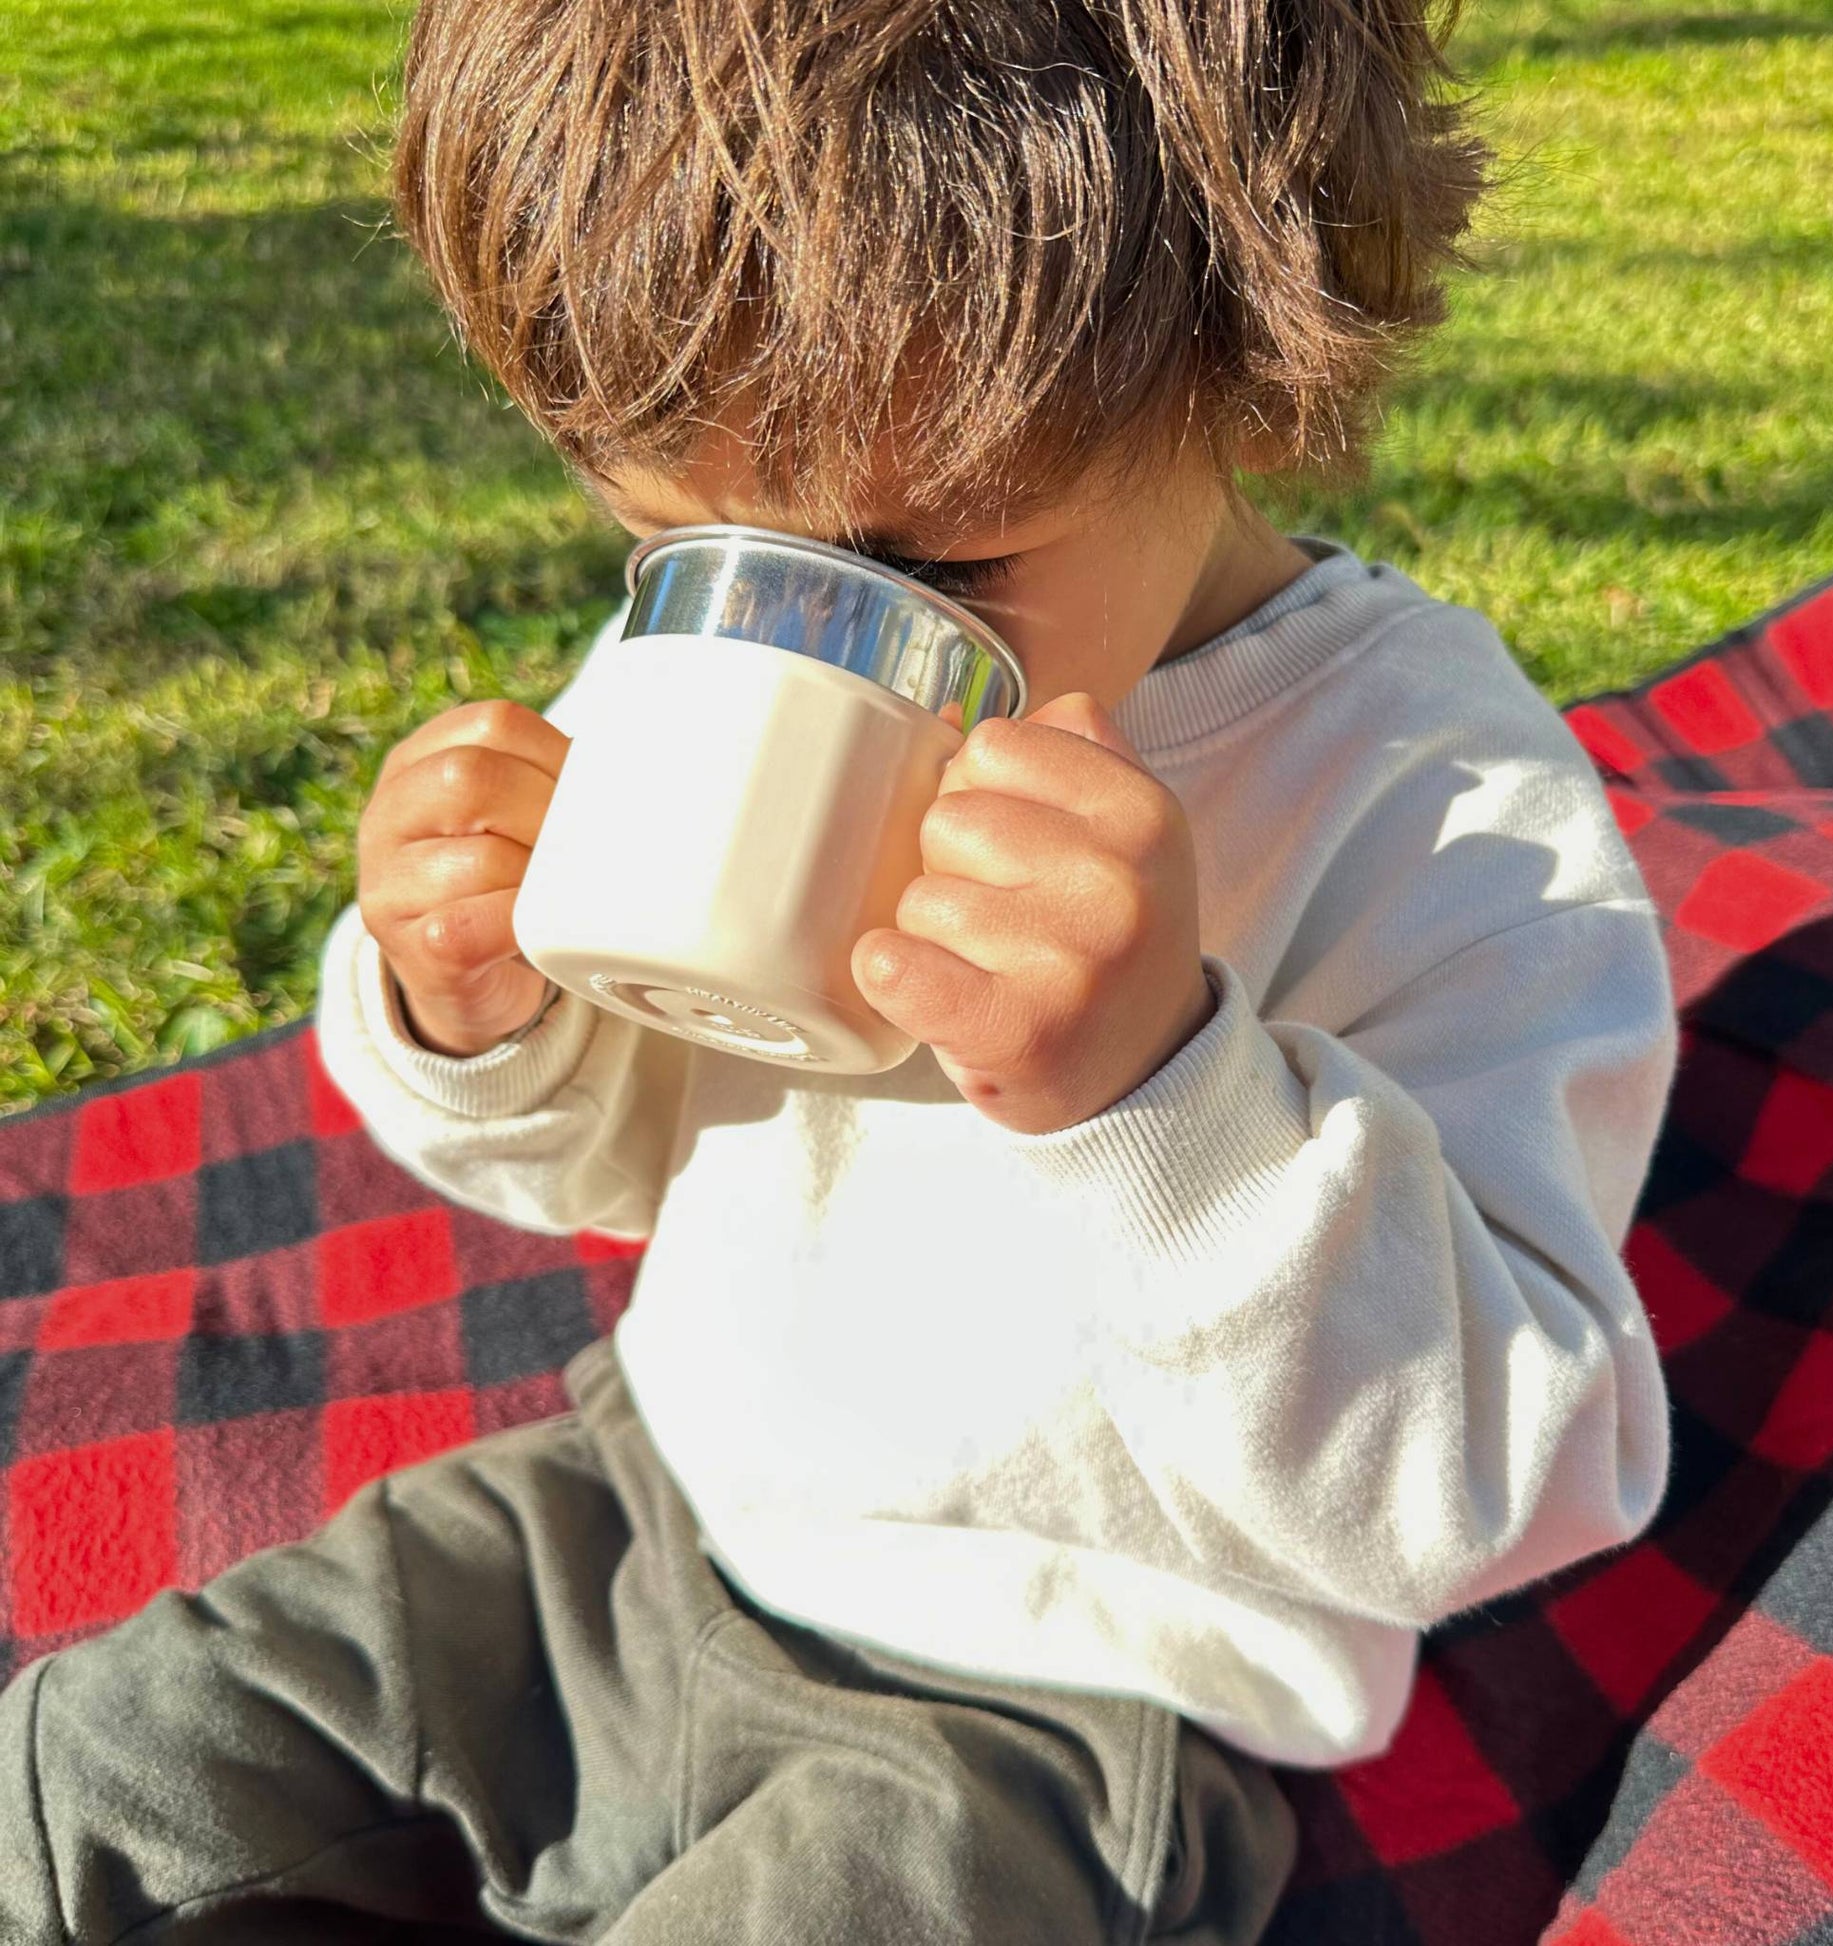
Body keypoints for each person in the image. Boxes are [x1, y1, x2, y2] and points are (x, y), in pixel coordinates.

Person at [0, 0, 1679, 1939]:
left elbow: (1502, 1476)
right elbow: (614, 1152)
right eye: (669, 538)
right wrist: (479, 1006)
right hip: (637, 1513)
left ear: (1247, 369)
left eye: (939, 576)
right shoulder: (722, 632)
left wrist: (1166, 1100)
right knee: (102, 1765)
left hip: (1057, 1701)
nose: (782, 628)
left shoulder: (1440, 800)